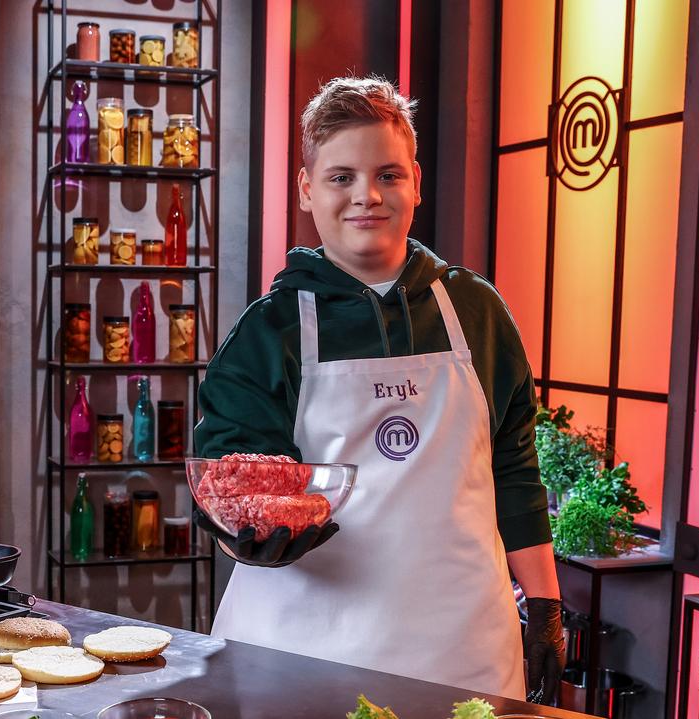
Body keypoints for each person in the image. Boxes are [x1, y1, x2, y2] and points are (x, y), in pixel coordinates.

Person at [193, 76, 565, 703]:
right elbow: (233, 477)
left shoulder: (475, 311)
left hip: (464, 646)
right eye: (341, 177)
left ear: (415, 181)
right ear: (307, 189)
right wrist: (246, 533)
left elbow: (514, 467)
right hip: (303, 646)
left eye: (388, 175)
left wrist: (547, 604)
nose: (366, 196)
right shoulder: (270, 331)